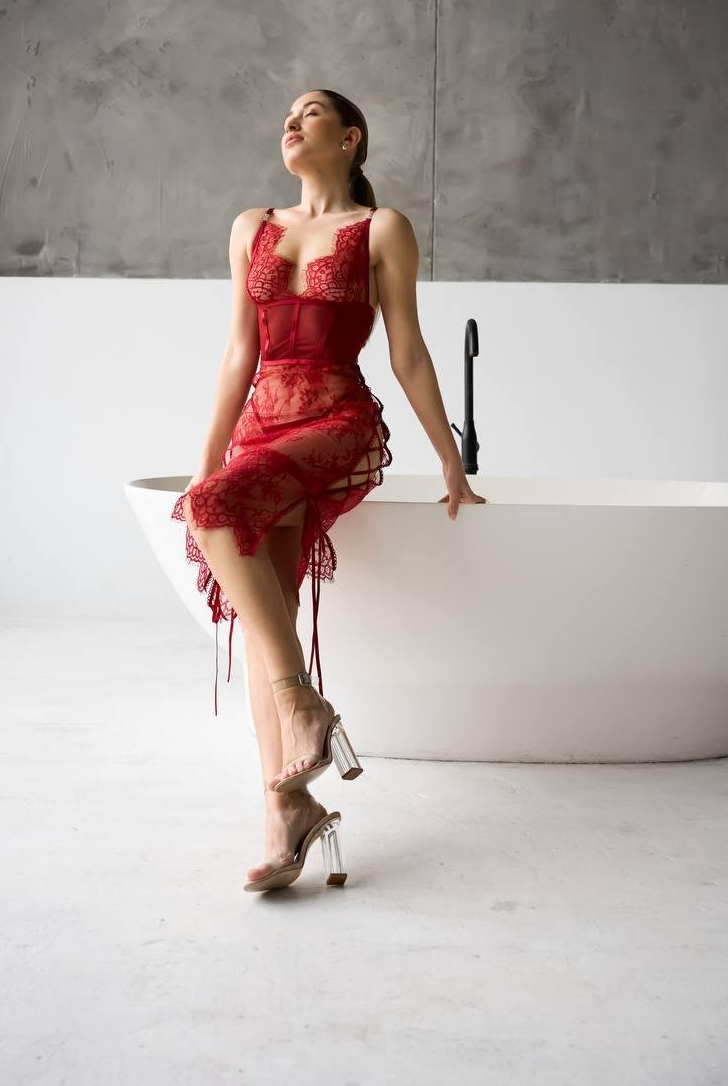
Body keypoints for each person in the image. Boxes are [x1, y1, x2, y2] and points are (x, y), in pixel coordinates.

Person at [171, 89, 485, 891]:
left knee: (219, 527)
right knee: (265, 607)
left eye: (310, 111)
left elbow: (407, 351)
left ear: (350, 138)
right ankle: (287, 812)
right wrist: (208, 460)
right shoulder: (250, 226)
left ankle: (301, 705)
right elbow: (238, 353)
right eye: (286, 111)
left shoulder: (382, 229)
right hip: (261, 429)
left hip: (335, 420)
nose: (291, 120)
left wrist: (449, 459)